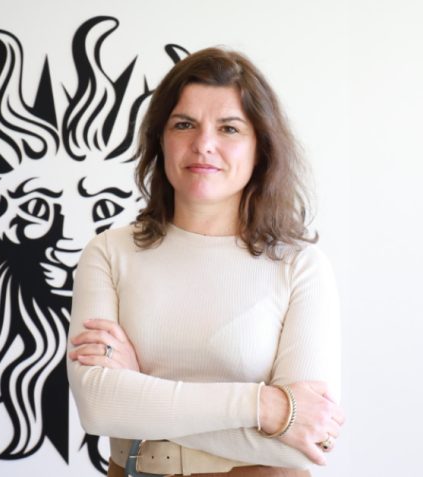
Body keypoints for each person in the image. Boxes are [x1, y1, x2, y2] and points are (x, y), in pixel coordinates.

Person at [67, 47, 344, 477]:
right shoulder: (108, 253)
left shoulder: (300, 266)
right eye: (184, 124)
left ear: (260, 147)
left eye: (229, 128)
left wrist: (142, 395)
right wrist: (265, 406)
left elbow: (306, 442)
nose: (203, 145)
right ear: (160, 139)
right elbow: (99, 407)